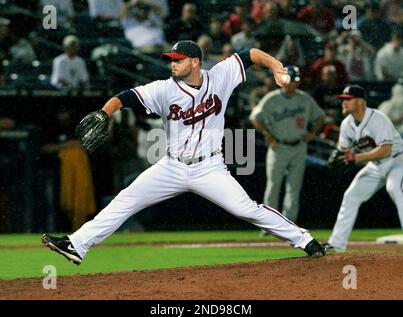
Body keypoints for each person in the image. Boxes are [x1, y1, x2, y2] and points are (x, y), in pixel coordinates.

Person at [41, 40, 326, 265]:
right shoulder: (165, 89)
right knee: (126, 199)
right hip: (172, 167)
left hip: (209, 167)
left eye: (178, 60)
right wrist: (105, 113)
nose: (172, 64)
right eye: (171, 60)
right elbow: (125, 97)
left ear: (195, 62)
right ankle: (76, 245)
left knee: (246, 209)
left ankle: (304, 239)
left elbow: (249, 53)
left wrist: (276, 66)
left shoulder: (221, 77)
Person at [325, 85, 403, 251]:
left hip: (397, 160)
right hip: (376, 165)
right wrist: (338, 155)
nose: (343, 103)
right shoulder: (347, 124)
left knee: (395, 188)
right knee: (351, 195)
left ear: (360, 101)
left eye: (347, 99)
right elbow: (344, 151)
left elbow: (385, 150)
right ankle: (336, 244)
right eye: (342, 100)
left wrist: (355, 158)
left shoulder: (378, 118)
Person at [250, 66, 325, 223]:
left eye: (296, 81)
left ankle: (290, 222)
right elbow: (255, 117)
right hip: (279, 147)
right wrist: (266, 133)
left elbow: (319, 116)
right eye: (291, 80)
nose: (294, 84)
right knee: (273, 186)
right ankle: (269, 223)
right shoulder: (271, 99)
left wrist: (312, 132)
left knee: (294, 187)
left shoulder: (304, 98)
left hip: (299, 145)